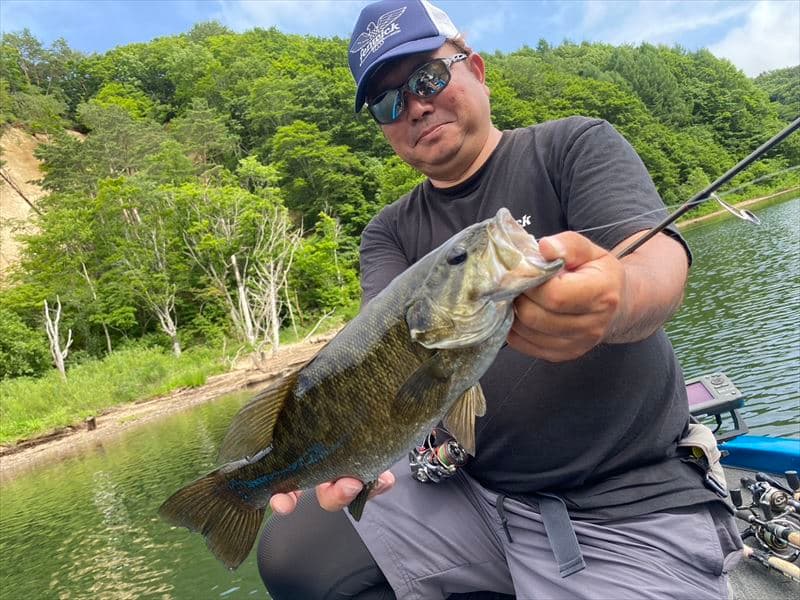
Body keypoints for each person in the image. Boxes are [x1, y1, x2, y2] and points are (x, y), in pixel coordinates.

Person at [257, 1, 743, 598]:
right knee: (295, 553)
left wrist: (616, 297)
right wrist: (353, 452)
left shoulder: (572, 145)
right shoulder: (388, 232)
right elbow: (373, 358)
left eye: (427, 78)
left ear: (477, 69)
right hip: (473, 495)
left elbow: (656, 262)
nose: (415, 107)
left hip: (622, 506)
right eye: (387, 103)